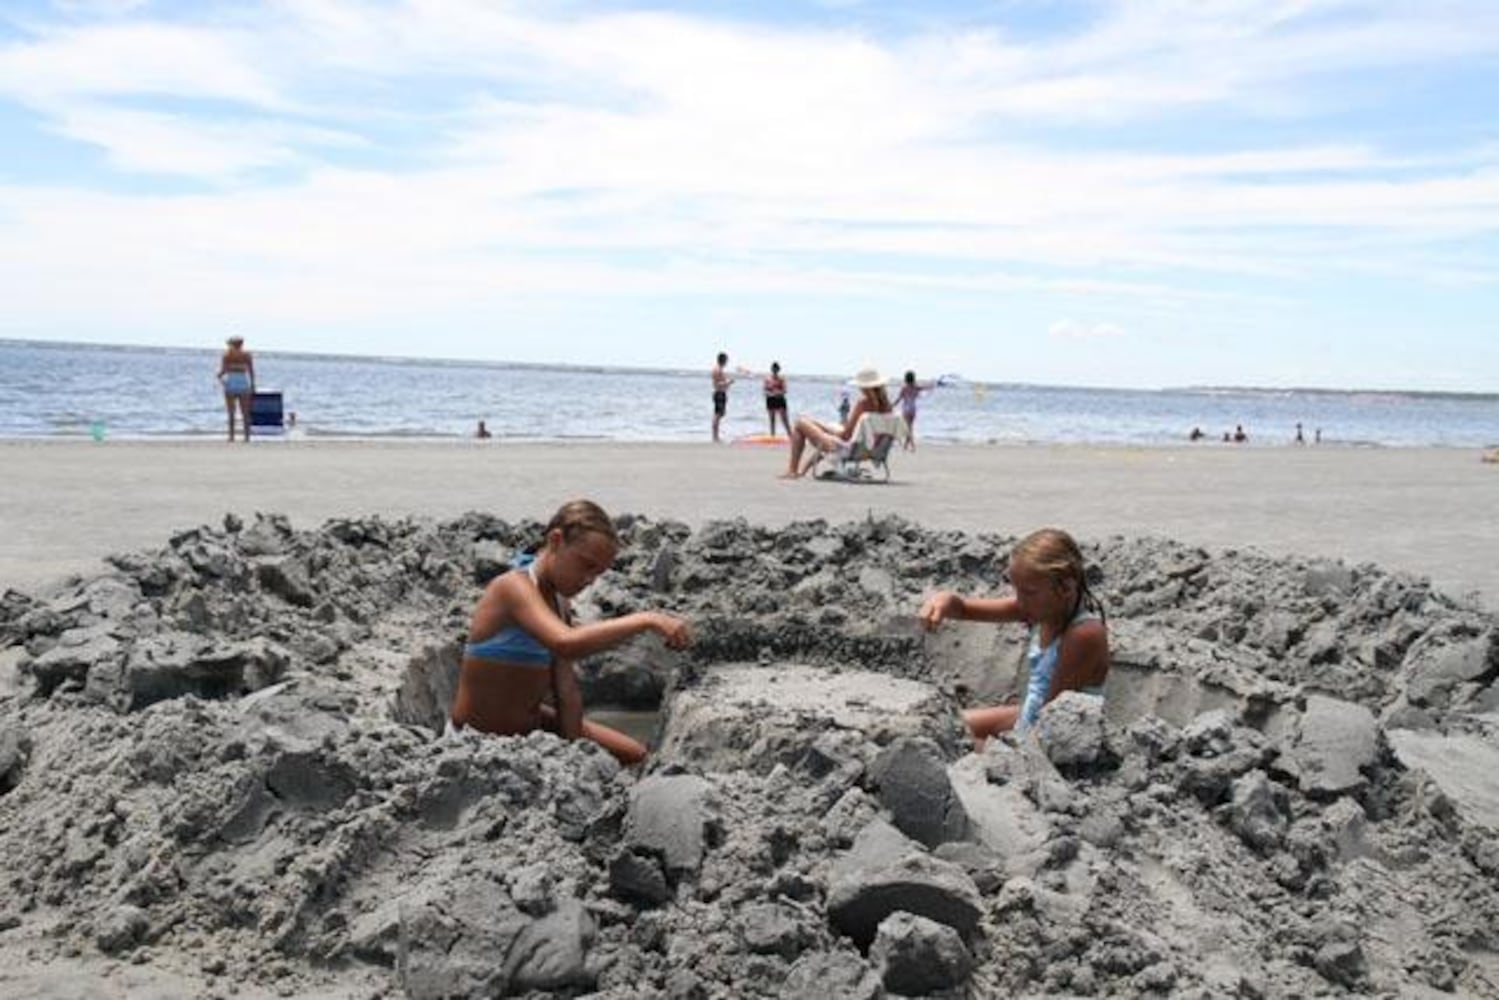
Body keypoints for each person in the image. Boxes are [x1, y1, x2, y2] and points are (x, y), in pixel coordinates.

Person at [448, 499, 692, 765]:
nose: (589, 580)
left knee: (637, 755)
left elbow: (566, 689)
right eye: (586, 565)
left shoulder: (559, 603)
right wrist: (646, 619)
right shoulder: (512, 587)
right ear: (555, 541)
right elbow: (565, 643)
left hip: (530, 731)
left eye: (598, 574)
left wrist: (575, 755)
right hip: (475, 743)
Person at [918, 527, 1109, 749]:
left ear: (1065, 587)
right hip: (1032, 715)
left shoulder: (1084, 635)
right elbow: (964, 609)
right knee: (946, 726)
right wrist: (945, 600)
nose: (1020, 601)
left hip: (1058, 742)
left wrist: (987, 746)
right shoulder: (1044, 608)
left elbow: (1050, 723)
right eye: (1017, 591)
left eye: (1028, 592)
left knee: (953, 745)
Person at [781, 366, 892, 478]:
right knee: (818, 424)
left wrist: (834, 432)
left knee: (800, 423)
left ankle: (792, 470)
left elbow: (846, 435)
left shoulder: (863, 404)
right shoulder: (888, 408)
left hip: (844, 448)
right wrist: (831, 430)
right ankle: (802, 470)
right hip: (869, 450)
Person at [216, 335, 255, 443]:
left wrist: (219, 378)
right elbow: (251, 371)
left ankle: (231, 436)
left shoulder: (227, 355)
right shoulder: (247, 355)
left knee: (231, 412)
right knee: (245, 412)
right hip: (243, 382)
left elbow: (223, 371)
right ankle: (247, 437)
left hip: (231, 381)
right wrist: (253, 385)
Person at [895, 370, 936, 451]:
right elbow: (926, 388)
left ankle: (912, 446)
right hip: (913, 409)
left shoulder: (904, 388)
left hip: (906, 409)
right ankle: (905, 447)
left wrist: (892, 405)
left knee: (908, 428)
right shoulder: (916, 387)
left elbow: (899, 399)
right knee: (910, 428)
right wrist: (932, 385)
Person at [763, 362, 791, 437]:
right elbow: (765, 391)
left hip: (780, 400)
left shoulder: (781, 379)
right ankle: (772, 436)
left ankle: (790, 435)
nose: (775, 370)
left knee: (784, 420)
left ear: (778, 370)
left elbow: (785, 390)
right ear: (771, 369)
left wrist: (778, 393)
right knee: (772, 420)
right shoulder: (767, 379)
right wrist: (770, 393)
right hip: (770, 400)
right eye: (773, 368)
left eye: (776, 369)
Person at [711, 352, 734, 443]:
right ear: (723, 360)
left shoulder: (720, 370)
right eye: (726, 360)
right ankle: (715, 437)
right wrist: (729, 382)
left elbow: (721, 383)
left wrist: (727, 383)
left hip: (721, 393)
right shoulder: (717, 370)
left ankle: (716, 436)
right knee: (717, 415)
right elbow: (717, 384)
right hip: (719, 393)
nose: (727, 362)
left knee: (721, 414)